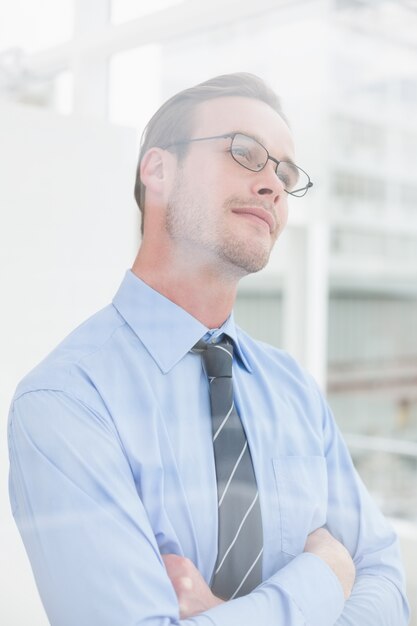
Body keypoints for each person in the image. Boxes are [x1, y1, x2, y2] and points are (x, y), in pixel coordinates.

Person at [8, 73, 409, 626]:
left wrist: (224, 615)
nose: (273, 184)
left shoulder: (292, 387)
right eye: (245, 153)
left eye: (286, 173)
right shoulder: (65, 401)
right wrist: (323, 575)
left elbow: (386, 580)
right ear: (159, 171)